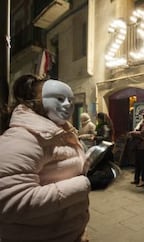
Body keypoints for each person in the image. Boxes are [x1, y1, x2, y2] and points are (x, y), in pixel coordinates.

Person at [0, 74, 90, 241]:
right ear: (32, 102)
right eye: (59, 98)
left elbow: (62, 168)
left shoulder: (62, 132)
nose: (67, 105)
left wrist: (90, 166)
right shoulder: (20, 138)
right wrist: (84, 183)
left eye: (70, 100)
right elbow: (9, 202)